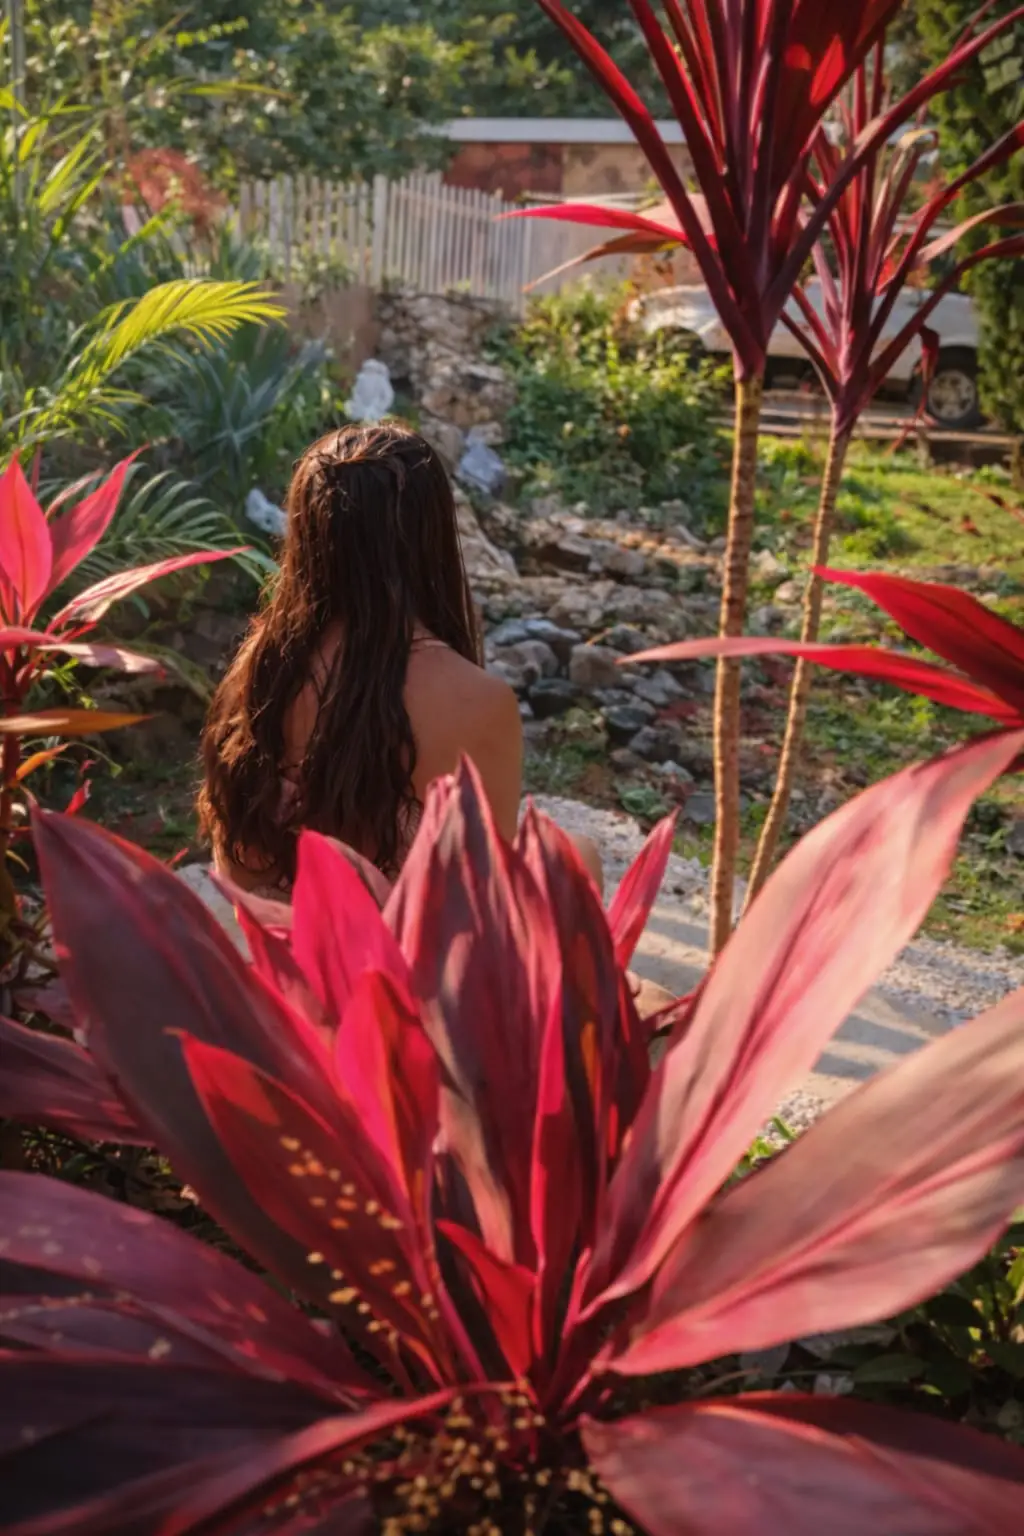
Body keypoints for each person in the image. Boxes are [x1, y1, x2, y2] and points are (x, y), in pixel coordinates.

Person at [198, 421, 602, 896]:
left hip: (285, 937)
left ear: (305, 537)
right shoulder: (479, 699)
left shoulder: (261, 667)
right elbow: (490, 894)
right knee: (579, 855)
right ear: (431, 537)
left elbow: (234, 861)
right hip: (403, 961)